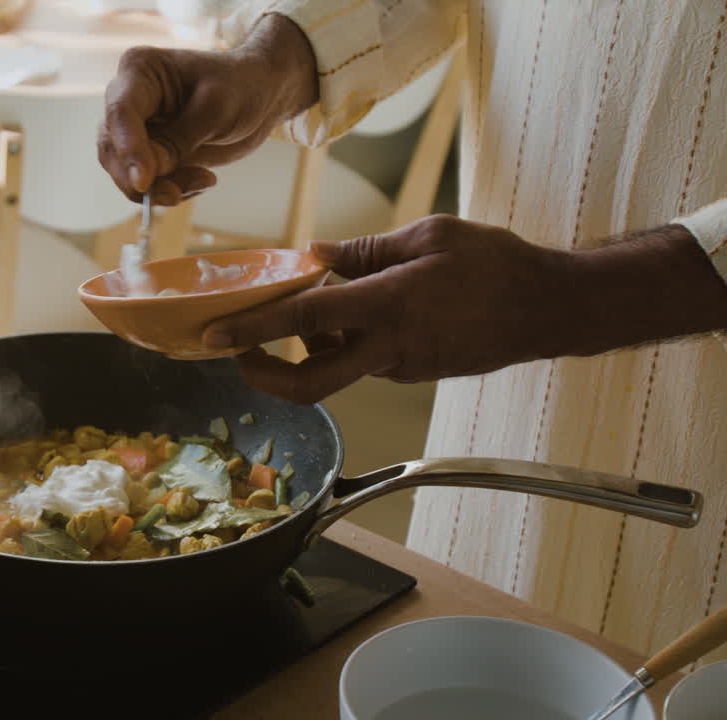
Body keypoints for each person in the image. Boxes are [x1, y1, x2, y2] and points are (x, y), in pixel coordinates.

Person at [98, 1, 727, 665]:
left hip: (700, 446)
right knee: (471, 662)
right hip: (495, 378)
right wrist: (273, 60)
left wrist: (566, 296)